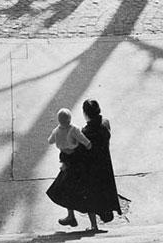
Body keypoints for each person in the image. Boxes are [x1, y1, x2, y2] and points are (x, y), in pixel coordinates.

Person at [46, 99, 122, 230]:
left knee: (66, 183)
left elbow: (79, 152)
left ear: (85, 113)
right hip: (103, 165)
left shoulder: (86, 132)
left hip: (89, 168)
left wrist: (65, 157)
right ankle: (89, 223)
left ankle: (76, 218)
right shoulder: (105, 124)